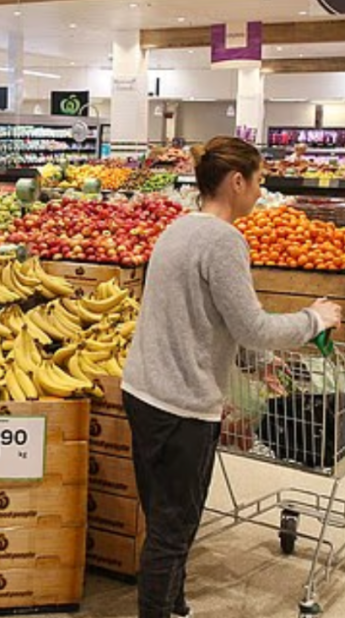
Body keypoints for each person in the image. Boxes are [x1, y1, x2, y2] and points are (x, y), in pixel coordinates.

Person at [121, 136, 343, 618]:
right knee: (173, 529)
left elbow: (204, 317)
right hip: (181, 404)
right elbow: (253, 327)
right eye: (259, 180)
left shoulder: (179, 228)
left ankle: (175, 605)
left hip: (144, 390)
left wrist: (255, 363)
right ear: (236, 181)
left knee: (164, 515)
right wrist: (315, 318)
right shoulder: (224, 241)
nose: (261, 192)